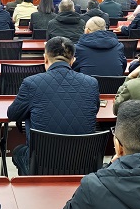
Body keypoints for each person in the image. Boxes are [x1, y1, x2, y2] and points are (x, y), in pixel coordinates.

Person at [7, 37, 100, 175]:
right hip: (82, 164)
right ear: (72, 61)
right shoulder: (91, 83)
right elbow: (94, 110)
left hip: (42, 166)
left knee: (18, 152)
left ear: (45, 58)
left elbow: (13, 114)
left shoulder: (31, 83)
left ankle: (28, 185)